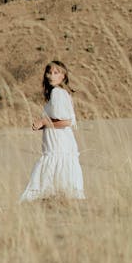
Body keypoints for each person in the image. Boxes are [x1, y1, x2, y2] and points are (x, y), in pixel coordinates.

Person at [20, 60, 85, 202]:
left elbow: (66, 122)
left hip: (58, 145)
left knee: (46, 183)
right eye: (49, 72)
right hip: (59, 143)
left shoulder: (57, 92)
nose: (51, 75)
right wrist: (43, 125)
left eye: (56, 73)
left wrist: (44, 121)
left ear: (63, 76)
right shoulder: (62, 93)